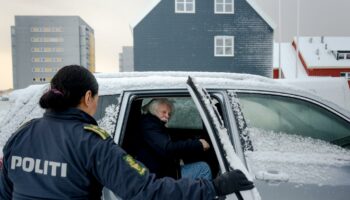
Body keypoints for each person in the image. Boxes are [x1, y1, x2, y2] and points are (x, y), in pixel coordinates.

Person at [0, 65, 254, 199]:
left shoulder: (21, 134)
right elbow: (147, 191)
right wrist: (214, 188)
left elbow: (5, 193)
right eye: (97, 98)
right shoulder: (92, 143)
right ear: (88, 96)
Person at [136, 98, 212, 180]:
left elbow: (171, 142)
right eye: (164, 112)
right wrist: (198, 144)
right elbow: (168, 148)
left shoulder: (154, 124)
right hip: (159, 177)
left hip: (162, 170)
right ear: (154, 110)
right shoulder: (149, 125)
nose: (167, 116)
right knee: (203, 168)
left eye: (169, 114)